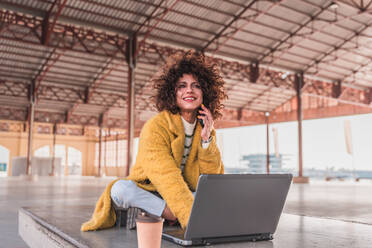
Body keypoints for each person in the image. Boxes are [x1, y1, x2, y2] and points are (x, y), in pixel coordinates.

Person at [81, 50, 227, 231]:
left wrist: (206, 141)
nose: (189, 90)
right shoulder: (156, 126)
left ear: (205, 92)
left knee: (215, 194)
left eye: (196, 85)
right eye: (182, 86)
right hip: (152, 191)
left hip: (184, 192)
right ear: (172, 93)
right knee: (120, 189)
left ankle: (161, 212)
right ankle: (168, 214)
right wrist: (189, 218)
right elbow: (166, 176)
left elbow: (211, 180)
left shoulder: (204, 129)